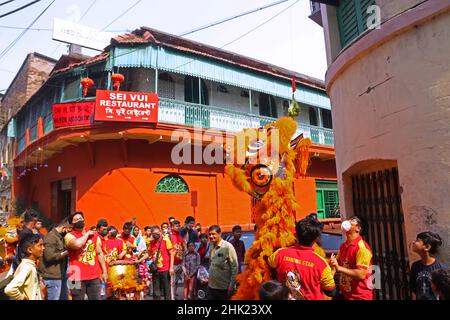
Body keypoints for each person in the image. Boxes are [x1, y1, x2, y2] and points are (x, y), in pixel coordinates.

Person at [268, 218, 336, 300]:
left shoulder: (279, 254)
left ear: (296, 235)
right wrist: (332, 272)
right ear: (315, 240)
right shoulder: (321, 263)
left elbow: (270, 265)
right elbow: (331, 291)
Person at [64, 211, 107, 300]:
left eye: (80, 218)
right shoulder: (69, 236)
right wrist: (87, 234)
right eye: (76, 220)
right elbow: (77, 245)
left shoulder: (95, 236)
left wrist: (104, 271)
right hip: (75, 275)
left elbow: (99, 253)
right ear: (72, 224)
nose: (79, 220)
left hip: (94, 275)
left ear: (84, 220)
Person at [330, 216, 373, 300]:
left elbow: (361, 274)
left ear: (358, 228)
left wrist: (339, 268)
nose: (348, 222)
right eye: (348, 220)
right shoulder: (343, 246)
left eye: (352, 221)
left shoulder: (362, 248)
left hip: (359, 297)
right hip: (345, 294)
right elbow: (337, 263)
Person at [38, 218, 71, 300]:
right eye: (68, 229)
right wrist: (66, 253)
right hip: (52, 276)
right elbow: (49, 257)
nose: (69, 232)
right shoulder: (51, 237)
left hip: (61, 275)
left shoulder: (60, 237)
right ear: (63, 228)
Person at [5, 233, 44, 300]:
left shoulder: (30, 265)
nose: (43, 248)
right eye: (40, 245)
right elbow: (10, 289)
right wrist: (23, 298)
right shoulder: (27, 267)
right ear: (29, 250)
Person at [409, 231, 445, 300]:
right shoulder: (415, 266)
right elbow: (414, 290)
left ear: (427, 247)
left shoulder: (439, 268)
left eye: (417, 240)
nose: (413, 242)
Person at [207, 225, 238, 300]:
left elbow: (234, 267)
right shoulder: (211, 245)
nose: (211, 236)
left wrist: (231, 285)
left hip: (224, 288)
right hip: (211, 287)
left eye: (213, 234)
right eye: (210, 234)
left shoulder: (228, 247)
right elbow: (211, 263)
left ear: (219, 234)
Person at [148, 226, 175, 300]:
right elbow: (149, 254)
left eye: (157, 233)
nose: (155, 235)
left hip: (165, 270)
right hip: (156, 270)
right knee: (156, 293)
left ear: (160, 232)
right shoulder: (151, 243)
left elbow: (171, 253)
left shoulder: (166, 240)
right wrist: (141, 259)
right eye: (154, 234)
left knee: (167, 291)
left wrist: (171, 267)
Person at [170, 220, 186, 300]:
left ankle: (174, 294)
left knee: (176, 281)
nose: (178, 227)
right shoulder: (170, 236)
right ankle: (172, 297)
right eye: (176, 226)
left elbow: (183, 248)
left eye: (179, 226)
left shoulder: (179, 235)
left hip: (180, 262)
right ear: (172, 227)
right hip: (173, 263)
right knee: (172, 282)